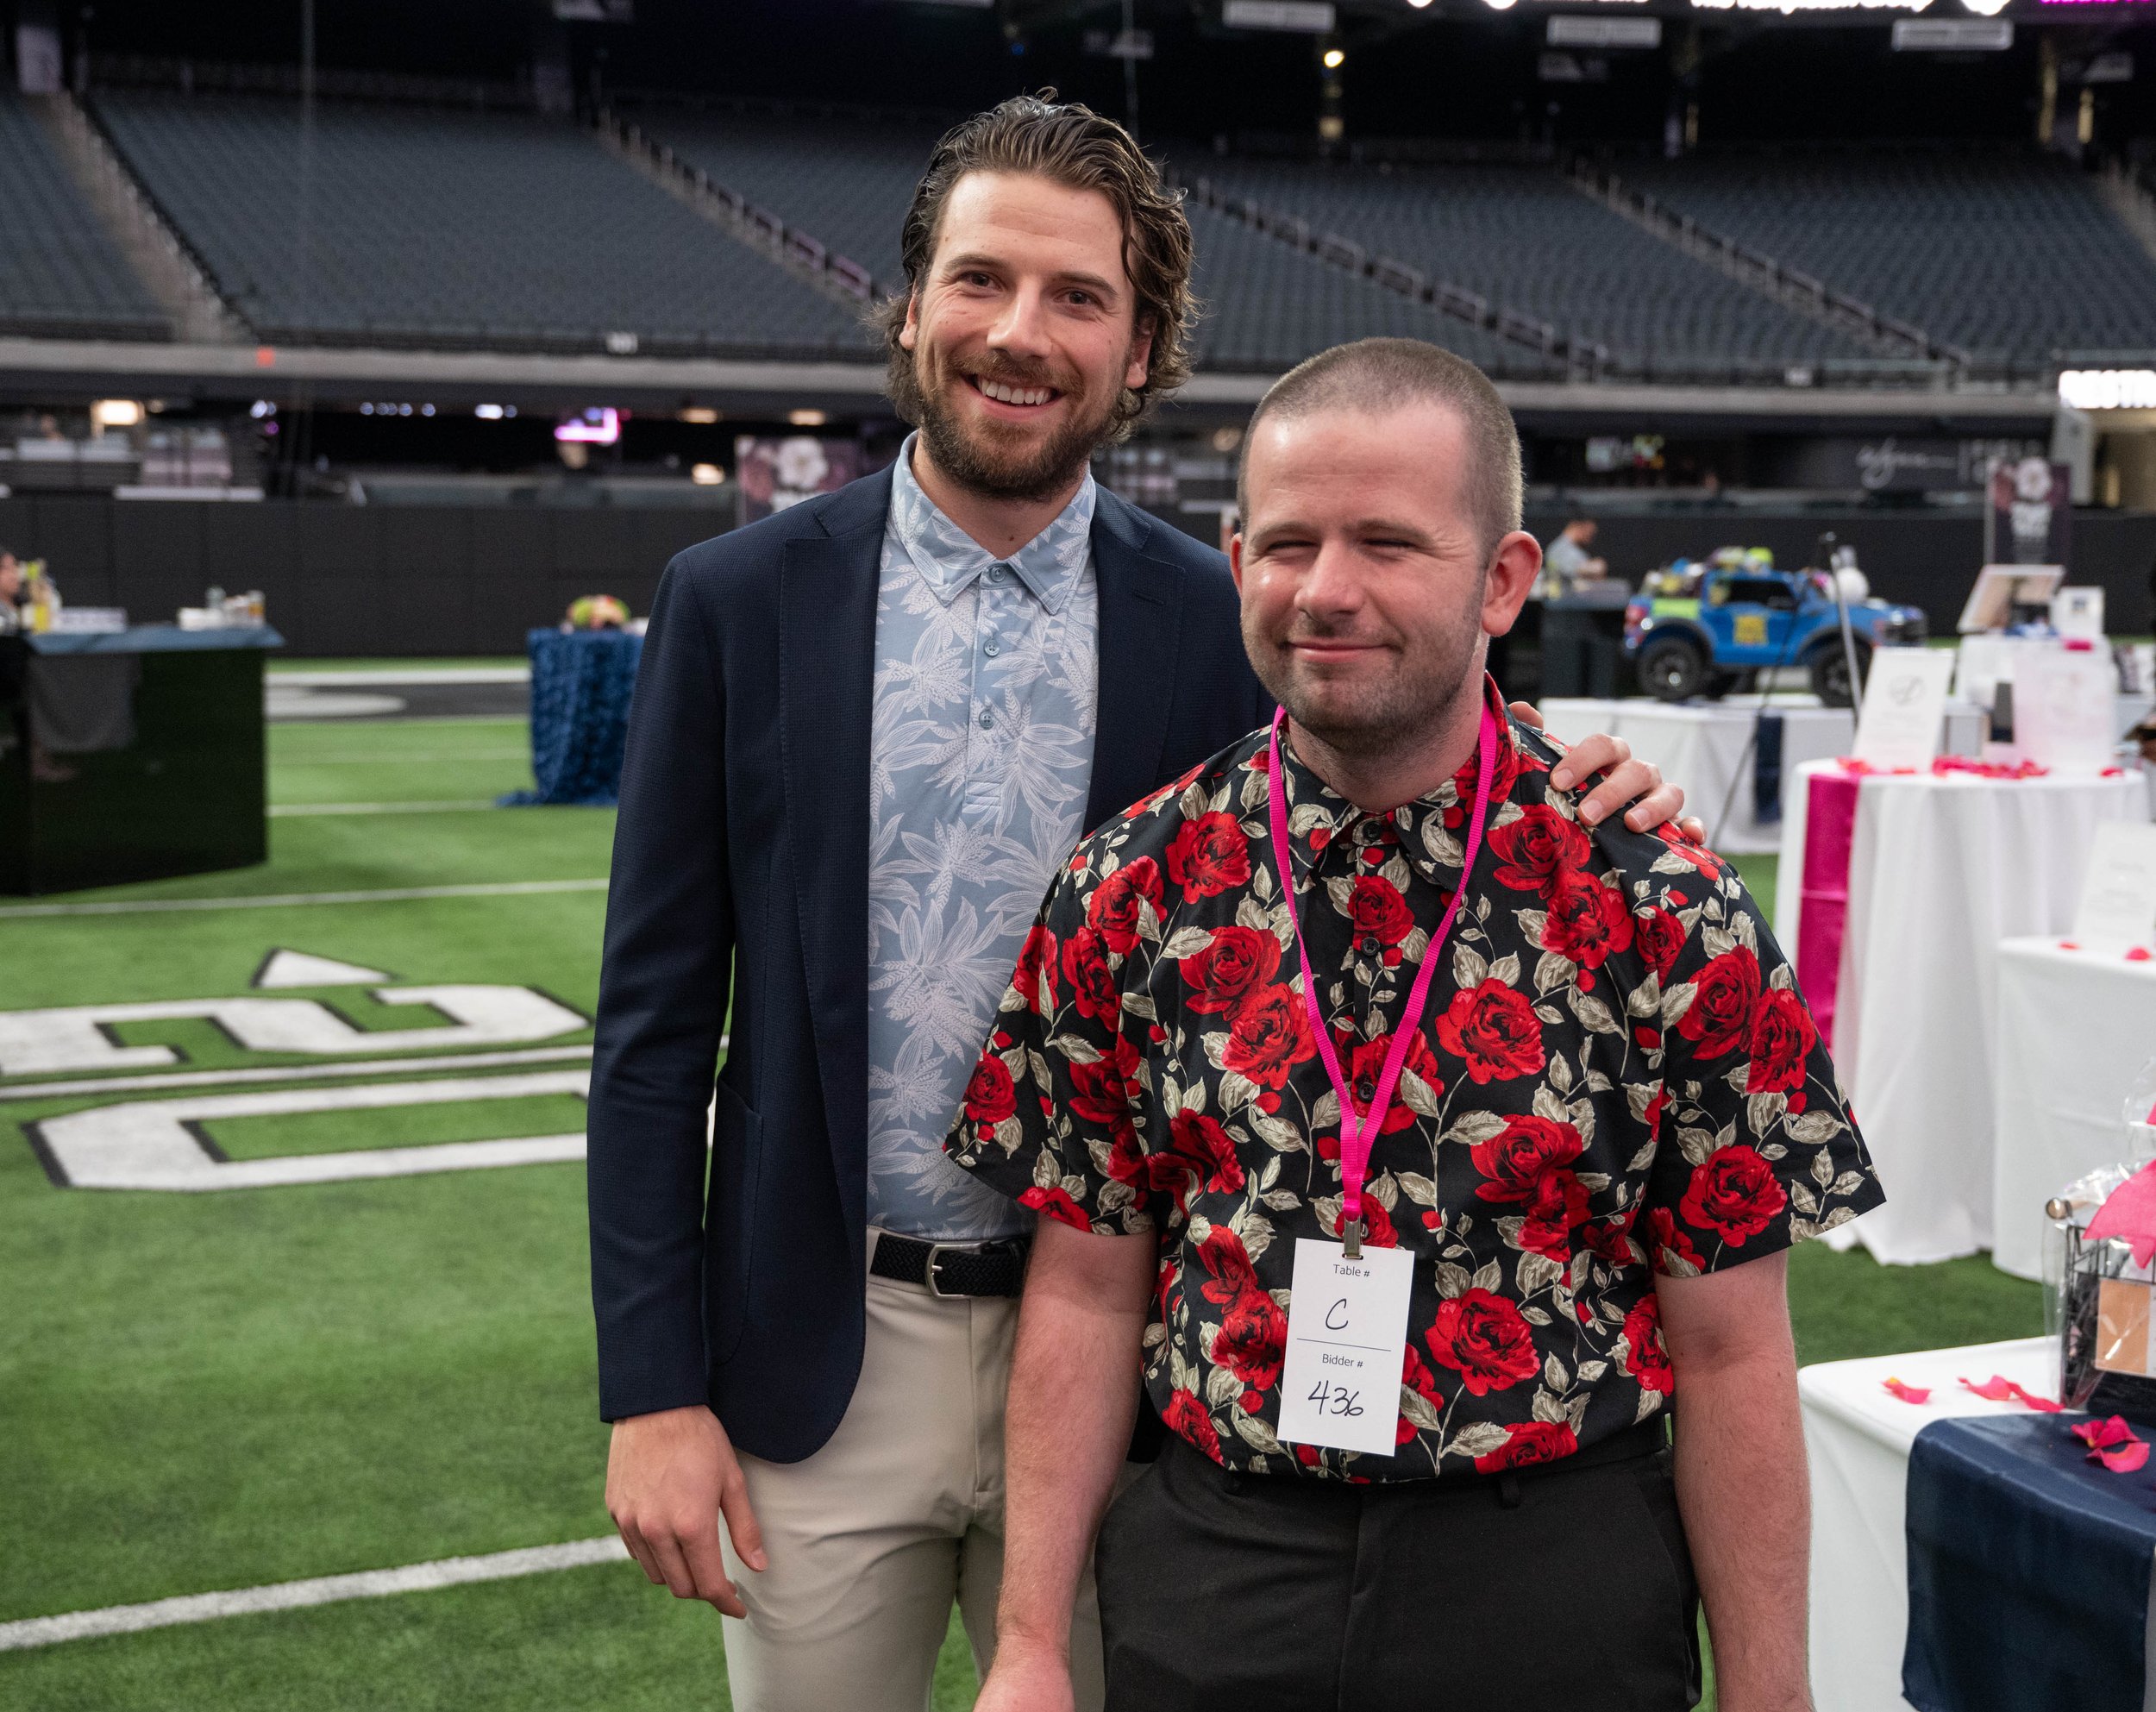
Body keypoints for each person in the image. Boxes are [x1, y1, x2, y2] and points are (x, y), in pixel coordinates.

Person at [587, 100, 1698, 1712]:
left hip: (1131, 1350)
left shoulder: (1218, 608)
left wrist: (1591, 779)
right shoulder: (737, 601)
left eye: (1077, 298)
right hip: (821, 1357)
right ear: (911, 307)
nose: (1017, 336)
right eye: (978, 282)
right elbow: (652, 1032)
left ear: (1143, 342)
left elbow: (1390, 740)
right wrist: (649, 1388)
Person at [948, 337, 1883, 1712]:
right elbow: (1088, 1288)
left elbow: (1736, 1347)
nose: (1327, 591)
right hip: (1217, 1573)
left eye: (1388, 543)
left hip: (1549, 1579)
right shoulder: (1129, 885)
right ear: (1234, 557)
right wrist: (1030, 1640)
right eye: (1288, 544)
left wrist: (1770, 1691)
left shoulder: (1662, 905)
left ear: (1504, 579)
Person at [1539, 515, 1608, 598]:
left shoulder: (1576, 550)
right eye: (1589, 532)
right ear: (1577, 526)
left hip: (1575, 600)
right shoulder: (1559, 548)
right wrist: (1591, 567)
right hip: (1561, 601)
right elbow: (1569, 570)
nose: (1590, 538)